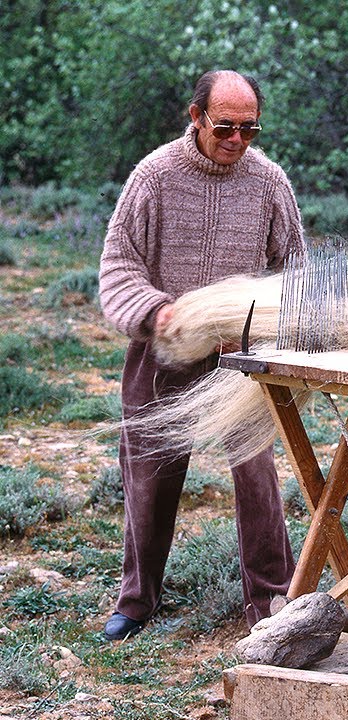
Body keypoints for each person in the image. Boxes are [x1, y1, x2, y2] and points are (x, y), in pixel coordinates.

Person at [97, 70, 305, 640]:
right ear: (195, 118)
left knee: (257, 475)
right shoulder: (155, 177)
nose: (238, 140)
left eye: (250, 129)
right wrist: (159, 313)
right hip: (164, 347)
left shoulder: (269, 184)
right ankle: (137, 600)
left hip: (243, 354)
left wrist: (267, 329)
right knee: (148, 473)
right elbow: (118, 268)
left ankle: (270, 603)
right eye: (225, 128)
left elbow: (295, 273)